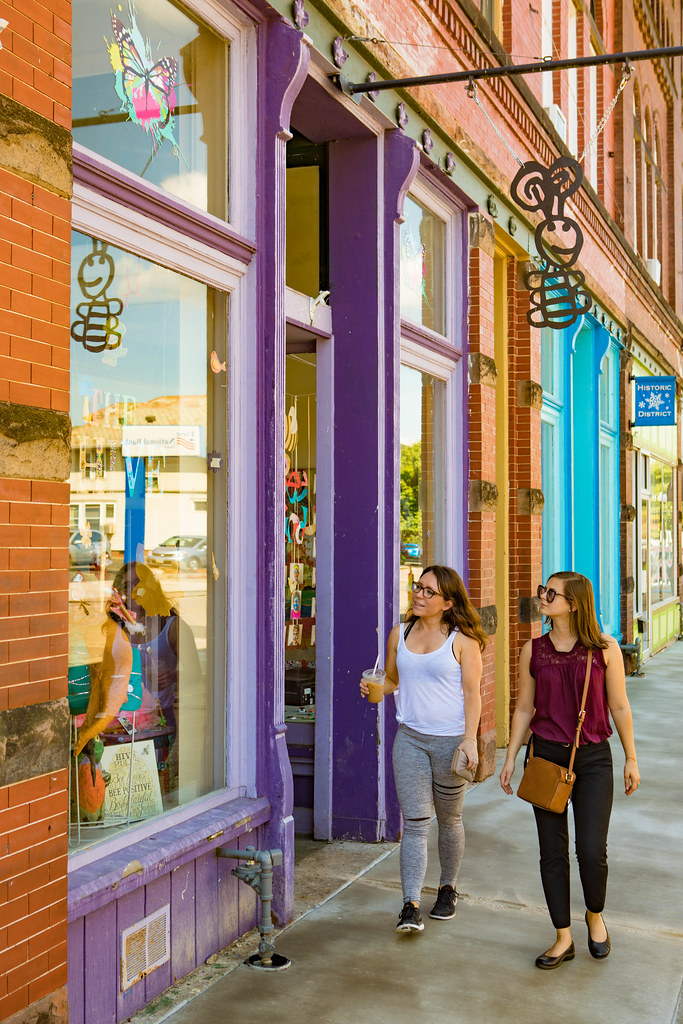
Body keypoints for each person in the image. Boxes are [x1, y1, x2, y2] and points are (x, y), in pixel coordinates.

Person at [500, 572, 640, 969]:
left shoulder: (605, 649)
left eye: (551, 593)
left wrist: (631, 757)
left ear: (573, 603)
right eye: (543, 590)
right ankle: (563, 937)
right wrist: (511, 757)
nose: (542, 597)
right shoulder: (534, 650)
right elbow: (525, 707)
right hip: (544, 758)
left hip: (593, 758)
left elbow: (620, 707)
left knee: (592, 851)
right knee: (552, 853)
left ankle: (594, 915)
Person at [360, 565, 486, 934]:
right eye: (418, 587)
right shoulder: (399, 634)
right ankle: (410, 904)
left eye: (429, 591)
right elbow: (393, 680)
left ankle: (448, 887)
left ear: (448, 602)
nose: (418, 594)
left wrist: (469, 739)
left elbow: (472, 694)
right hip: (410, 739)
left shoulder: (463, 641)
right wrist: (374, 691)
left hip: (450, 742)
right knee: (414, 824)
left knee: (449, 820)